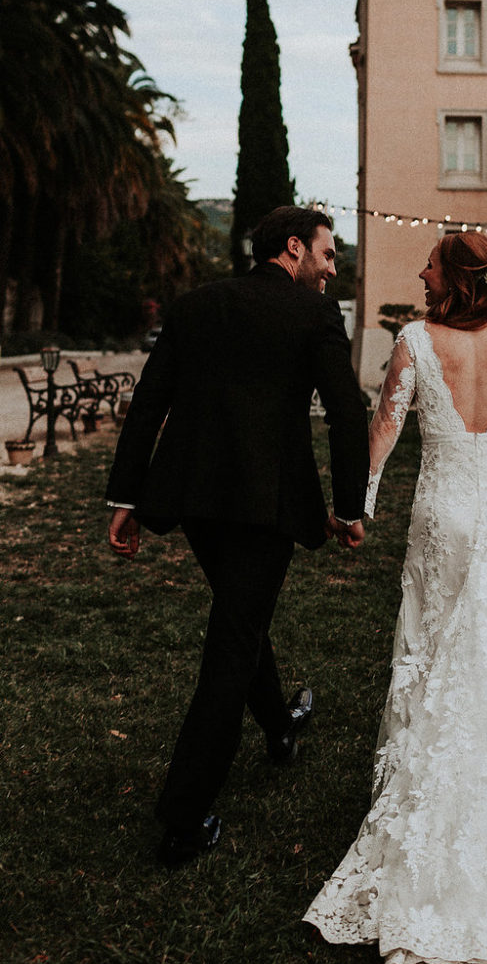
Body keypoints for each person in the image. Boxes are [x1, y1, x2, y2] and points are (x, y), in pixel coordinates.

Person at [303, 232, 487, 964]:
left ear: (457, 281)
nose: (422, 272)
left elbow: (387, 429)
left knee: (437, 650)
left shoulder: (414, 341)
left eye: (432, 263)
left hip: (444, 513)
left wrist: (355, 505)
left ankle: (439, 766)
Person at [105, 206, 370, 868]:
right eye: (328, 254)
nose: (333, 268)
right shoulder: (315, 315)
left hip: (194, 498)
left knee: (239, 617)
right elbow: (345, 414)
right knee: (232, 640)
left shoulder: (197, 305)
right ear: (292, 248)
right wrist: (348, 506)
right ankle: (184, 818)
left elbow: (150, 400)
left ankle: (280, 728)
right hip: (264, 504)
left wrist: (127, 495)